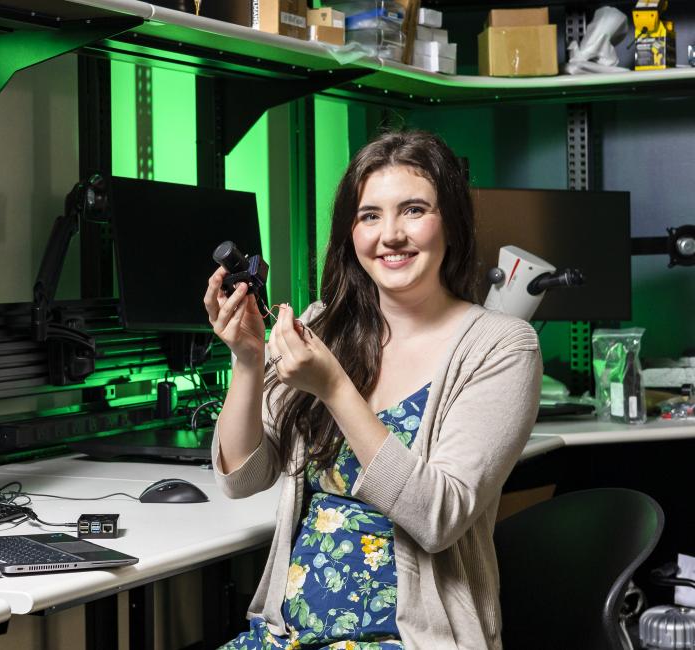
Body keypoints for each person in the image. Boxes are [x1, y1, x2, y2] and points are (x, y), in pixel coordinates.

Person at [204, 130, 542, 650]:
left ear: (450, 220)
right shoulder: (325, 326)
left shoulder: (501, 346)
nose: (390, 235)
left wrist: (335, 388)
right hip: (286, 635)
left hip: (406, 640)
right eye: (369, 216)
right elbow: (244, 478)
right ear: (350, 234)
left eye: (413, 210)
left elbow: (438, 517)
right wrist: (247, 360)